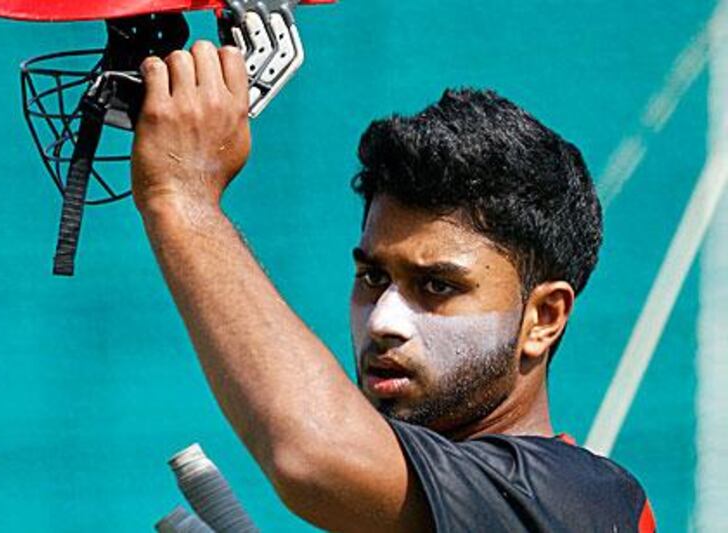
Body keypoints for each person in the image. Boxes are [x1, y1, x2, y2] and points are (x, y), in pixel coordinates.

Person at [131, 41, 657, 532]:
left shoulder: (578, 499)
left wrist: (183, 196)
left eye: (437, 286)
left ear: (542, 319)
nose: (384, 320)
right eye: (373, 277)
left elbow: (311, 452)